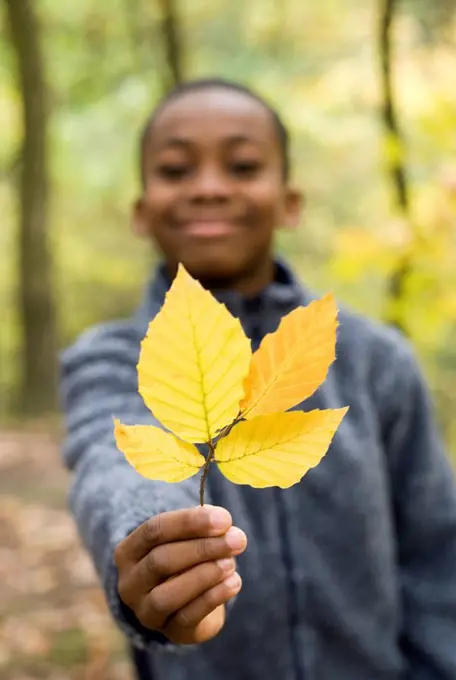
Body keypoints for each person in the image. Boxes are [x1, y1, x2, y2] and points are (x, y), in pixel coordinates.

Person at [60, 78, 456, 680]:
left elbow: (435, 552)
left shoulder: (375, 361)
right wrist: (154, 541)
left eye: (242, 166)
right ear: (141, 212)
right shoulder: (109, 358)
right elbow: (112, 467)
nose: (210, 187)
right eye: (175, 170)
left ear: (290, 202)